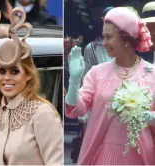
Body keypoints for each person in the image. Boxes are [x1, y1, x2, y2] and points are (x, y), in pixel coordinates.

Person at [65, 7, 155, 165]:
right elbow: (76, 110)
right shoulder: (97, 73)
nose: (104, 43)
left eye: (109, 37)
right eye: (103, 37)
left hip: (141, 156)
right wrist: (74, 79)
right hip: (102, 155)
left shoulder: (151, 73)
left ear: (126, 38)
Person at [0, 6, 63, 165]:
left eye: (14, 71)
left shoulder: (42, 114)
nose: (6, 78)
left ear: (28, 75)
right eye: (2, 71)